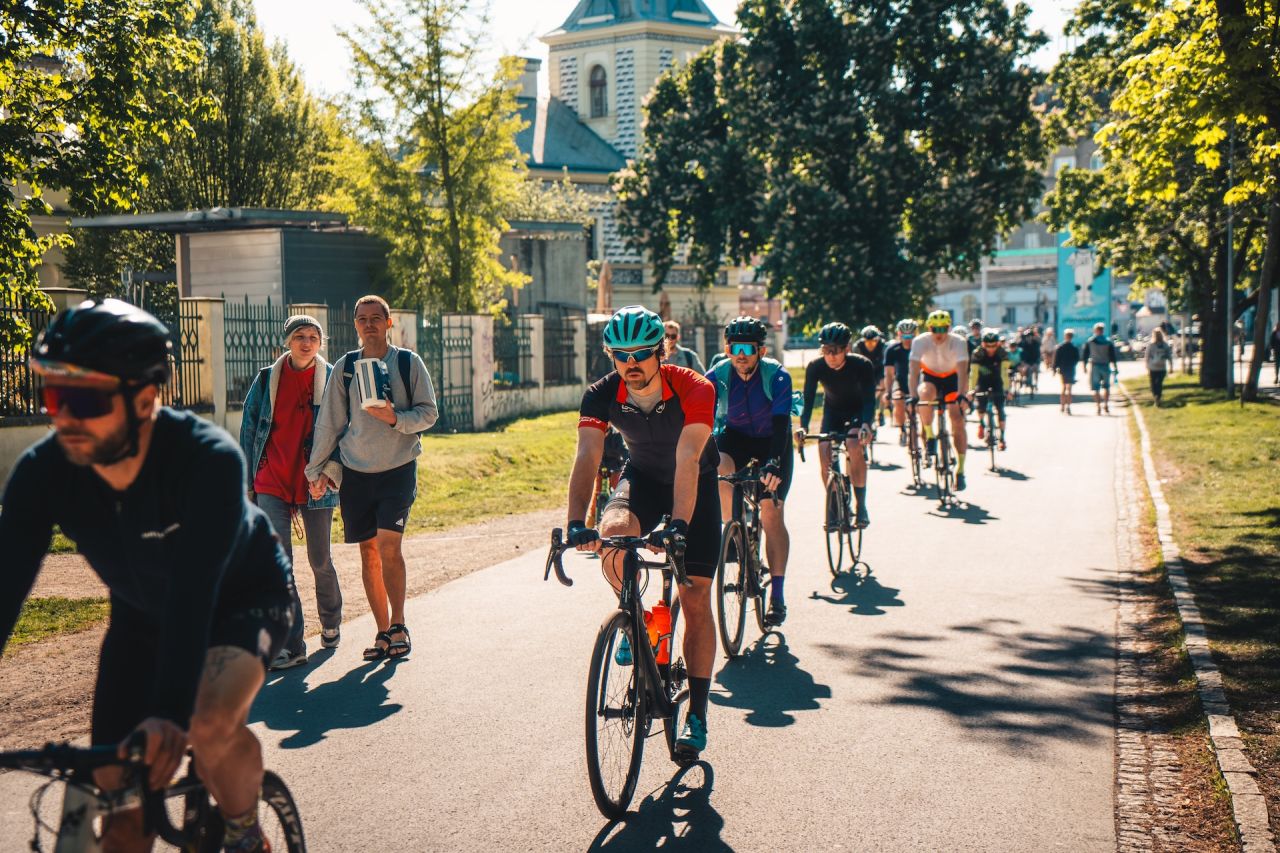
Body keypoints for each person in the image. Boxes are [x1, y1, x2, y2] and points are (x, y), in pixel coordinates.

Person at [0, 299, 294, 853]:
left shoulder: (207, 461)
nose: (63, 417)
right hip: (140, 619)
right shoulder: (43, 473)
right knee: (115, 802)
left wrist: (167, 713)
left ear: (144, 397)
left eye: (83, 398)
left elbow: (194, 593)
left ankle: (243, 831)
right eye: (52, 396)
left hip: (241, 599)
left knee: (206, 725)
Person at [565, 305, 720, 760]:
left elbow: (689, 457)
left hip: (696, 485)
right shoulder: (602, 393)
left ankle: (697, 711)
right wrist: (578, 522)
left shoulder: (694, 387)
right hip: (643, 479)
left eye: (640, 353)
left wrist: (678, 525)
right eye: (620, 354)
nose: (630, 363)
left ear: (660, 351)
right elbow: (588, 455)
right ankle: (634, 625)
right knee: (613, 535)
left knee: (694, 597)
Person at [305, 295, 438, 662]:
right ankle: (381, 631)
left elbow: (429, 413)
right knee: (369, 553)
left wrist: (396, 418)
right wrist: (314, 470)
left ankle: (399, 625)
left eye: (376, 318)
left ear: (388, 323)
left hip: (397, 469)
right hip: (356, 473)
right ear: (355, 325)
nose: (369, 325)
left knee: (389, 547)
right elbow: (329, 423)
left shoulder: (408, 363)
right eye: (362, 319)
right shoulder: (345, 368)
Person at [240, 314, 343, 669]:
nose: (306, 342)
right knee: (279, 565)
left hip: (315, 483)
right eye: (299, 336)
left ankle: (330, 621)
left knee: (319, 559)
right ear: (287, 341)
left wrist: (329, 473)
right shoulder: (267, 379)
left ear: (320, 342)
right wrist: (249, 485)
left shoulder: (330, 379)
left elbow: (343, 432)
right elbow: (250, 429)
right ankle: (292, 644)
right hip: (271, 480)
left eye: (313, 336)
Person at [706, 316, 794, 626]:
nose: (740, 354)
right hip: (737, 438)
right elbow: (701, 416)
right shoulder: (717, 375)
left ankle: (778, 596)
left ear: (761, 350)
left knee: (771, 513)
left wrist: (773, 464)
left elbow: (782, 426)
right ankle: (736, 528)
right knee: (717, 467)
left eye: (747, 348)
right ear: (727, 349)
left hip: (773, 443)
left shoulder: (777, 376)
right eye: (734, 347)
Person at [795, 322, 878, 527]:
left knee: (854, 445)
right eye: (825, 350)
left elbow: (869, 399)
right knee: (824, 450)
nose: (830, 355)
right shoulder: (816, 367)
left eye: (835, 351)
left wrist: (867, 424)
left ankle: (861, 506)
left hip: (857, 411)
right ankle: (834, 504)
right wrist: (803, 426)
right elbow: (807, 398)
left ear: (847, 349)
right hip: (833, 412)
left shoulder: (862, 365)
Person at [908, 310, 971, 490]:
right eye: (935, 329)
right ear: (929, 328)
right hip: (931, 376)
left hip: (952, 378)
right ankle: (929, 435)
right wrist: (913, 395)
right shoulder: (920, 341)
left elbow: (962, 371)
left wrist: (961, 395)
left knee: (957, 419)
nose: (939, 333)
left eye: (943, 329)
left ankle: (960, 469)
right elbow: (913, 372)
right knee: (924, 393)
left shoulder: (958, 342)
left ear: (949, 328)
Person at [968, 329, 1009, 450]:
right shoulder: (977, 353)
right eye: (988, 346)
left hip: (997, 380)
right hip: (982, 380)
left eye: (994, 346)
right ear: (983, 344)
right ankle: (981, 424)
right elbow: (973, 373)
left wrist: (1007, 389)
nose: (991, 349)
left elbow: (1004, 373)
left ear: (998, 344)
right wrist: (971, 389)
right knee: (980, 406)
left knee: (1000, 409)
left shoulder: (1002, 353)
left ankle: (1002, 437)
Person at [883, 319, 917, 448]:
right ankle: (902, 429)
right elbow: (889, 374)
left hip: (918, 381)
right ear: (899, 334)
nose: (908, 339)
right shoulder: (892, 350)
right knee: (898, 400)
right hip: (901, 381)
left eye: (911, 336)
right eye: (905, 336)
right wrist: (888, 392)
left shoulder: (919, 348)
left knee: (920, 409)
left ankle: (924, 437)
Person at [1081, 321, 1119, 415]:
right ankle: (1106, 404)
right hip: (1105, 366)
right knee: (1106, 387)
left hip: (1095, 366)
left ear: (1095, 330)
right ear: (1103, 330)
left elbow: (1085, 355)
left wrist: (1084, 366)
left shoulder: (1090, 341)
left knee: (1095, 388)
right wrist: (1115, 367)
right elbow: (1112, 356)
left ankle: (1098, 406)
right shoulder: (1108, 342)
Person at [853, 325, 887, 426]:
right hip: (865, 370)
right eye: (867, 342)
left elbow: (887, 364)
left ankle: (881, 412)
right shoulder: (857, 347)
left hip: (879, 369)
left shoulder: (884, 346)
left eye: (874, 341)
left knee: (883, 385)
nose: (871, 345)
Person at [1053, 328, 1081, 414]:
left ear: (1065, 336)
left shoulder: (1060, 347)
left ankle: (1062, 405)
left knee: (1063, 387)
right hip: (1071, 369)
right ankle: (1068, 406)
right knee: (1069, 388)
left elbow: (1056, 359)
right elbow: (1077, 359)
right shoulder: (1074, 347)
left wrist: (1054, 369)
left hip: (1063, 369)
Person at [1145, 327, 1174, 406]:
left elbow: (1147, 357)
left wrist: (1147, 367)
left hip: (1153, 368)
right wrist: (1171, 367)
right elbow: (1169, 357)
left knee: (1153, 384)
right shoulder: (1165, 345)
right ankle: (1158, 397)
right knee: (1159, 384)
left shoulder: (1151, 345)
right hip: (1162, 367)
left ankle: (1156, 397)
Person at [1018, 326, 1042, 394]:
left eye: (1030, 336)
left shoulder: (1036, 344)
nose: (1028, 338)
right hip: (1025, 361)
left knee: (1036, 371)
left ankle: (1036, 383)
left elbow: (1038, 354)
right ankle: (1022, 381)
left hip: (1034, 361)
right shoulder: (1022, 344)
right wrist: (1023, 362)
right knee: (1023, 370)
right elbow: (1020, 353)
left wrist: (1036, 363)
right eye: (1027, 336)